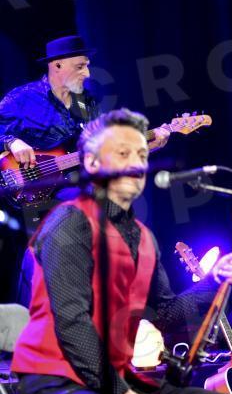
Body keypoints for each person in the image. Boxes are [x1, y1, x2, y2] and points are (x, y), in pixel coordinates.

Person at [11, 108, 232, 394]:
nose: (136, 164)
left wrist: (213, 282)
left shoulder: (143, 236)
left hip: (111, 378)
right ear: (91, 163)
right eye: (123, 154)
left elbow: (164, 312)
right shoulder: (69, 222)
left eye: (141, 154)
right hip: (54, 383)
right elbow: (71, 322)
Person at [0, 35, 170, 304]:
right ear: (57, 65)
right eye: (80, 66)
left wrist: (145, 146)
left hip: (70, 188)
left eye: (87, 66)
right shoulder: (23, 98)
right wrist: (12, 141)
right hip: (26, 190)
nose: (87, 73)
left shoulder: (86, 104)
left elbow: (100, 153)